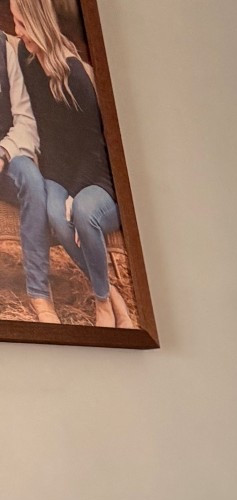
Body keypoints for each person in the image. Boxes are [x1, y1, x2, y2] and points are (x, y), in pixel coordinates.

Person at [10, 0, 131, 326]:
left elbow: (96, 147)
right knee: (55, 214)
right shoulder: (24, 55)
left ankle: (103, 303)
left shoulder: (73, 74)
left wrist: (74, 195)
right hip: (57, 175)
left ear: (38, 23)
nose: (18, 32)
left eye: (22, 23)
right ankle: (112, 294)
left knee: (82, 213)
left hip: (95, 178)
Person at [0, 24, 50, 317]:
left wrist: (4, 152)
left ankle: (39, 293)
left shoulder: (4, 48)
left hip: (6, 155)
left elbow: (25, 120)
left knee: (32, 180)